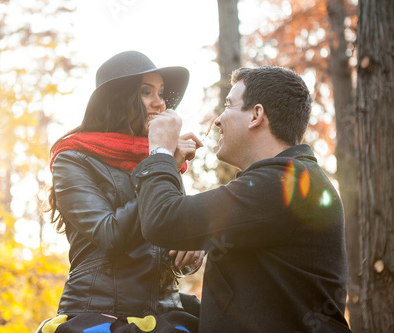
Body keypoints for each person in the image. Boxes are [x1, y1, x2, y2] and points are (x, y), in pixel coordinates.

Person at [131, 66, 352, 332]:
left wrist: (159, 151)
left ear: (256, 115)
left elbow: (162, 220)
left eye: (228, 105)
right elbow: (250, 308)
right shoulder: (281, 181)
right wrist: (208, 236)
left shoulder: (284, 183)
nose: (217, 120)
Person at [37, 51, 205, 333]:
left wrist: (193, 247)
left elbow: (170, 246)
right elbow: (110, 233)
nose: (159, 102)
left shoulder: (160, 161)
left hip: (166, 315)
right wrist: (163, 161)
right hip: (100, 316)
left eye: (162, 92)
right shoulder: (73, 158)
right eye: (145, 91)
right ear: (118, 99)